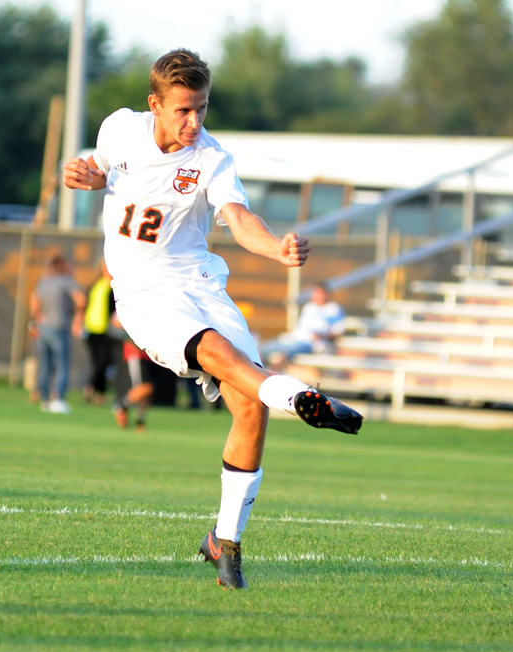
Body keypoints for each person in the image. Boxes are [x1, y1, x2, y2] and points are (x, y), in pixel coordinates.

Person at [62, 49, 362, 591]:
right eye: (182, 110)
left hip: (200, 283)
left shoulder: (211, 156)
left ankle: (224, 542)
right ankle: (299, 397)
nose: (194, 122)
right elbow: (97, 171)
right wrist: (84, 176)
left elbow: (239, 219)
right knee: (217, 355)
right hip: (143, 292)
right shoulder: (119, 129)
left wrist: (276, 248)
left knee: (249, 402)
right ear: (155, 103)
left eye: (201, 108)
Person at [28, 253, 86, 414]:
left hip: (43, 327)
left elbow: (33, 305)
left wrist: (38, 318)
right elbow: (81, 300)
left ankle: (45, 400)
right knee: (62, 365)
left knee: (45, 365)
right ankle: (58, 399)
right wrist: (78, 318)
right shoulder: (66, 281)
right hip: (59, 327)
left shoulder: (44, 283)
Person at [259, 283, 346, 369]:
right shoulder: (309, 307)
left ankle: (272, 376)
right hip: (294, 338)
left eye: (321, 293)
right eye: (316, 293)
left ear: (328, 294)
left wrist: (320, 336)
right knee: (261, 350)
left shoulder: (334, 309)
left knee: (282, 354)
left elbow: (337, 332)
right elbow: (300, 326)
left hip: (310, 343)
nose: (319, 296)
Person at [82, 261, 118, 405]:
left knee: (104, 362)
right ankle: (98, 392)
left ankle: (92, 387)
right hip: (92, 329)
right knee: (97, 362)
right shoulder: (96, 285)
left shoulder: (116, 286)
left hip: (107, 330)